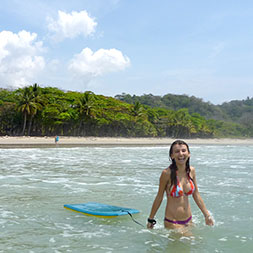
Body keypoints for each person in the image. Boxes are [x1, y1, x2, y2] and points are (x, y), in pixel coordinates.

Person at [147, 140, 214, 229]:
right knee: (190, 239)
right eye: (177, 151)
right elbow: (159, 197)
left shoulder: (191, 171)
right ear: (172, 155)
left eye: (183, 150)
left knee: (196, 242)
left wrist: (207, 215)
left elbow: (196, 194)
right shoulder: (166, 173)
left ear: (189, 153)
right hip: (172, 222)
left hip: (189, 220)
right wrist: (151, 219)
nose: (181, 154)